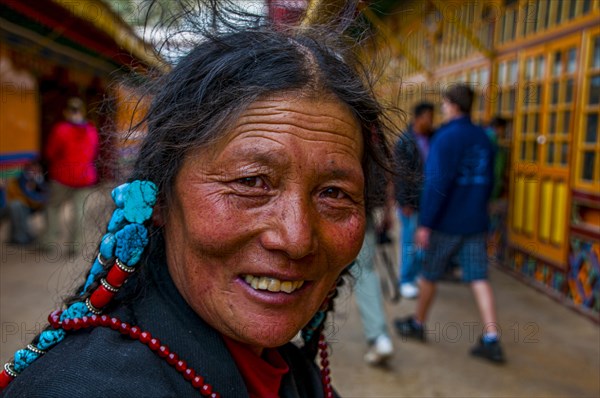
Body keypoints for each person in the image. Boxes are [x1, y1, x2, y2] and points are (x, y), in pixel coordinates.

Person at [0, 20, 396, 397]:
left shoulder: (287, 370)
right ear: (161, 199)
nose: (296, 239)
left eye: (333, 193)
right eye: (250, 182)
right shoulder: (85, 388)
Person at [394, 84, 505, 364]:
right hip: (475, 221)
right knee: (478, 277)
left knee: (429, 274)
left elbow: (436, 183)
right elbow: (490, 181)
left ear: (453, 105)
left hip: (445, 222)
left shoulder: (445, 137)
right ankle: (492, 338)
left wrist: (425, 223)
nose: (442, 109)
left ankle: (418, 324)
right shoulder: (483, 137)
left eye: (444, 104)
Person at [41, 97, 99, 254]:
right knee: (79, 212)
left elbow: (50, 153)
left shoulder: (60, 129)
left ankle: (50, 242)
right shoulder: (91, 130)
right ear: (83, 112)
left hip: (62, 177)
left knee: (53, 207)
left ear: (66, 112)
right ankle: (76, 246)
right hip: (85, 177)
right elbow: (93, 153)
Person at [393, 102, 434, 299]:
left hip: (427, 200)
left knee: (423, 242)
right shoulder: (405, 141)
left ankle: (416, 274)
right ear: (417, 117)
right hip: (410, 202)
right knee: (409, 241)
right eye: (427, 117)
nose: (431, 121)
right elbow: (400, 173)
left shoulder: (433, 138)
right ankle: (405, 280)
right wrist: (404, 201)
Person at [3, 160, 47, 245]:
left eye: (38, 167)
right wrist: (40, 199)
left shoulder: (40, 178)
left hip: (32, 204)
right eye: (33, 167)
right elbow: (27, 193)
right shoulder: (23, 177)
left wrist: (41, 198)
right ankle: (20, 237)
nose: (36, 169)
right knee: (16, 205)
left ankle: (43, 237)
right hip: (20, 204)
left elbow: (46, 192)